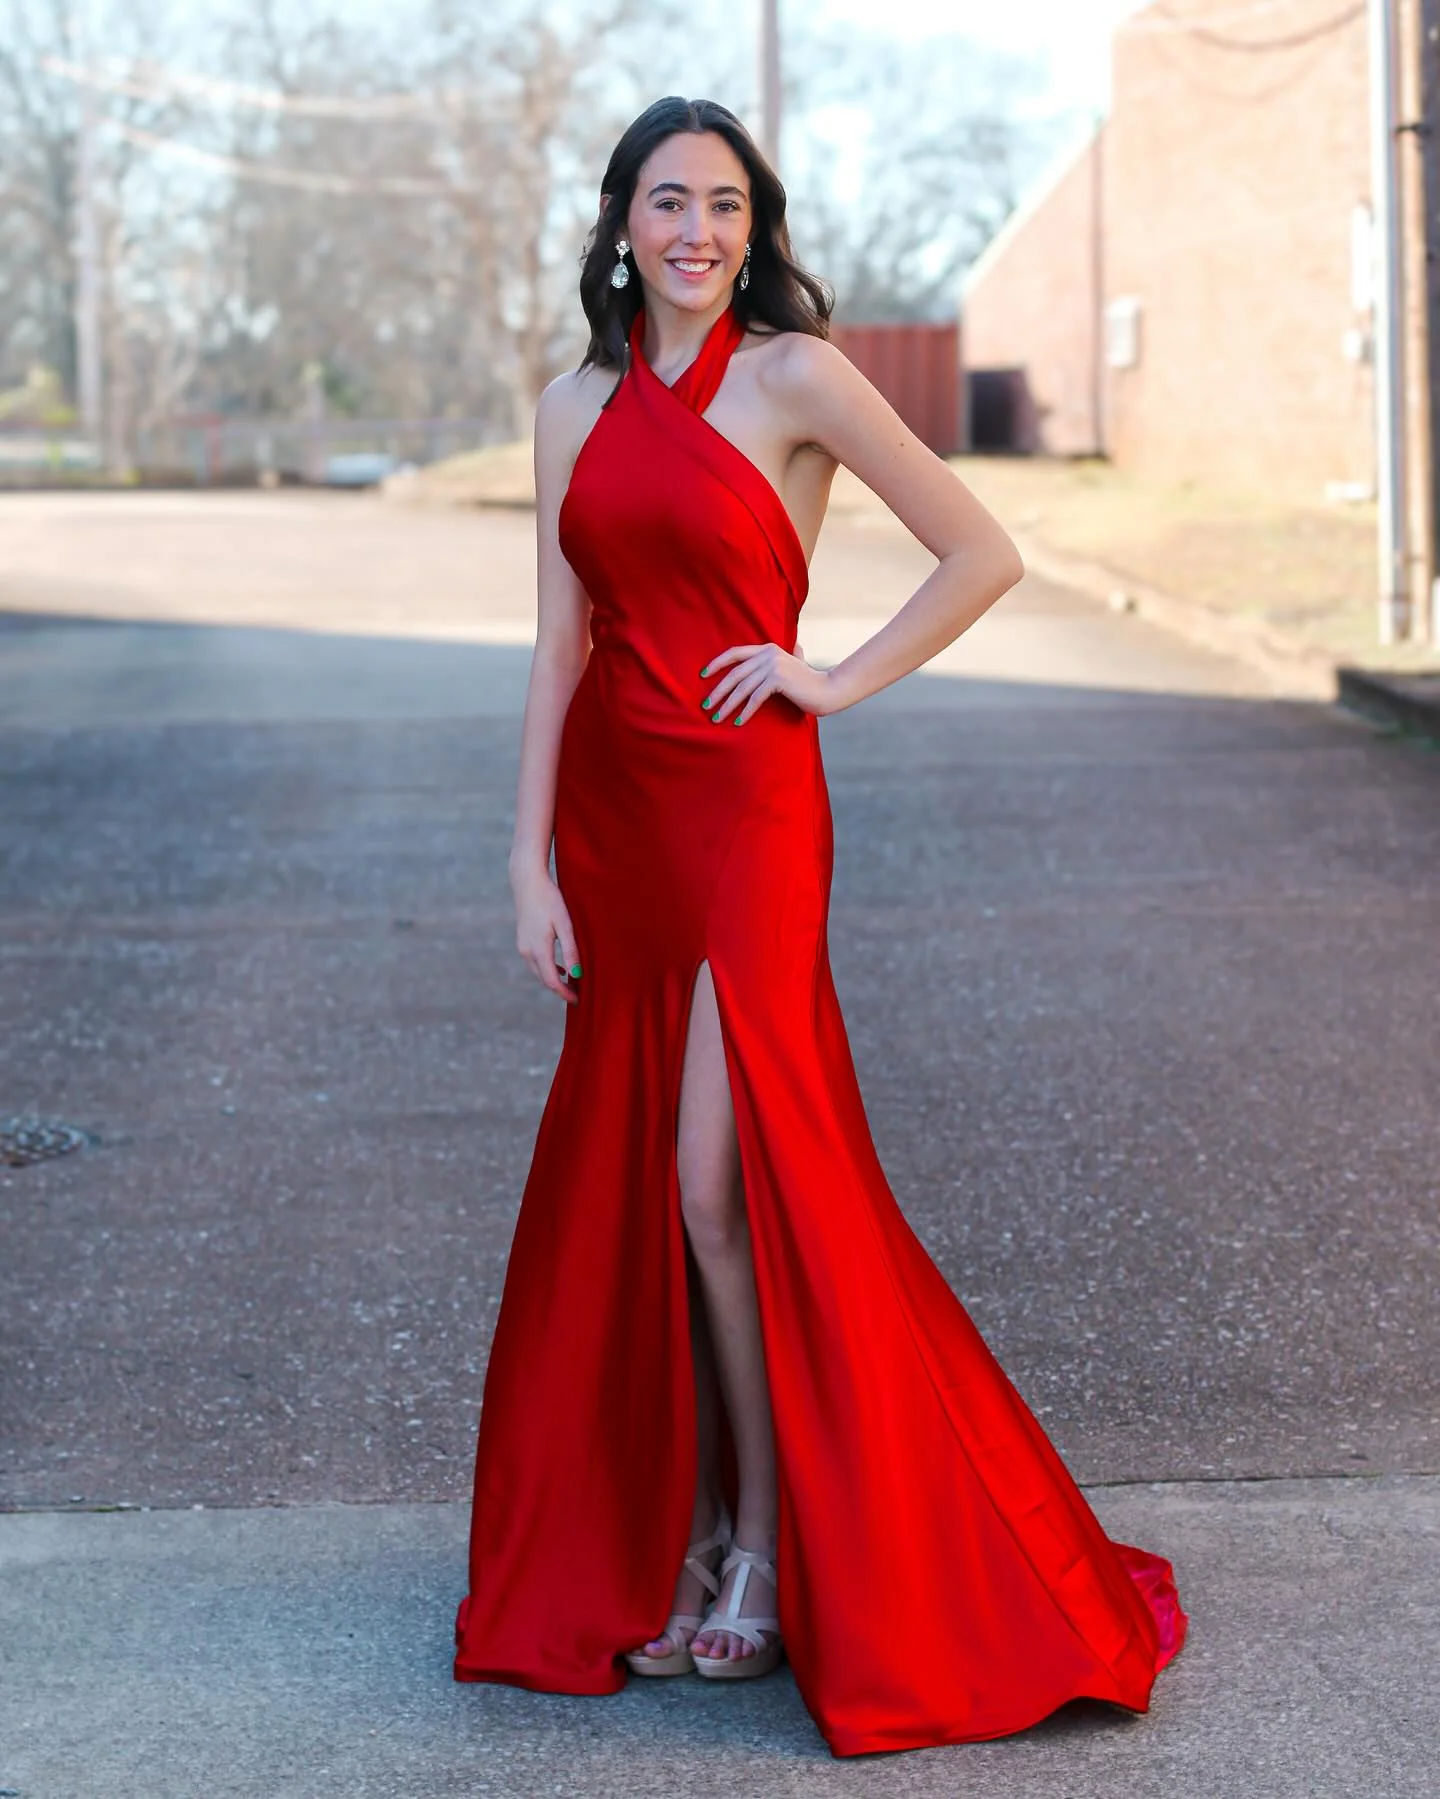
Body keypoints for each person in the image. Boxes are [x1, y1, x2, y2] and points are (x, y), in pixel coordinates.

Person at [453, 94, 1186, 1758]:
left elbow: (978, 548)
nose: (697, 231)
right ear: (619, 222)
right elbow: (559, 633)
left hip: (752, 810)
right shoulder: (574, 400)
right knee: (650, 1187)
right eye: (667, 202)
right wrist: (523, 857)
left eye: (724, 204)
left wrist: (832, 675)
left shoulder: (794, 375)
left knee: (723, 1184)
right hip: (618, 828)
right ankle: (697, 1534)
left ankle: (772, 1549)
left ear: (753, 224)